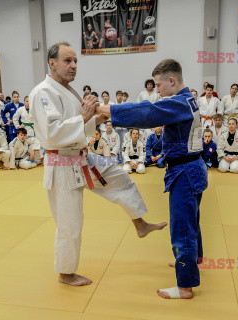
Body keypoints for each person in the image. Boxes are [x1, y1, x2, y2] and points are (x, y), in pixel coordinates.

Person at [30, 42, 167, 287]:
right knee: (70, 222)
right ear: (52, 62)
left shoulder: (67, 90)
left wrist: (95, 118)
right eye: (67, 61)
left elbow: (77, 127)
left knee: (120, 178)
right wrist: (84, 116)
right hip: (61, 165)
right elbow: (52, 133)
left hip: (82, 156)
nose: (73, 66)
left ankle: (140, 223)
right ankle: (65, 272)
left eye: (75, 61)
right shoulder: (43, 92)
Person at [97, 58, 208, 300]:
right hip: (191, 168)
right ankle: (193, 260)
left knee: (182, 228)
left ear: (171, 81)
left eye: (158, 85)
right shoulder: (187, 99)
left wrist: (106, 110)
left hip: (185, 172)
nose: (157, 90)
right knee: (192, 221)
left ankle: (185, 286)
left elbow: (148, 112)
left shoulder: (180, 102)